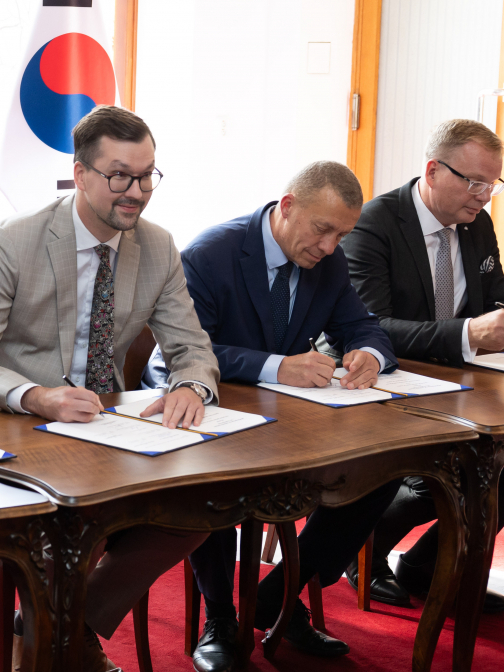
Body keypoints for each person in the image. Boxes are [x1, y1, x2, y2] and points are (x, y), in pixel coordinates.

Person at [0, 106, 219, 672]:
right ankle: (64, 640)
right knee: (55, 524)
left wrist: (191, 385)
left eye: (147, 176)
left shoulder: (159, 247)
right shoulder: (13, 240)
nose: (136, 191)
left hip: (101, 431)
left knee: (198, 509)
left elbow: (192, 347)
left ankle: (61, 624)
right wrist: (35, 396)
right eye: (120, 175)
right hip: (4, 427)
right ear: (81, 173)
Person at [174, 161, 398, 669]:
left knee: (381, 471)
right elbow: (183, 352)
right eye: (323, 230)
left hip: (288, 420)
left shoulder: (330, 263)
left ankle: (279, 595)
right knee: (211, 481)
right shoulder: (213, 254)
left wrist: (369, 354)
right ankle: (220, 619)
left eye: (342, 235)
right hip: (210, 411)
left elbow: (366, 326)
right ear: (288, 206)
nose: (329, 247)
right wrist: (277, 368)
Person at [342, 118, 504, 613]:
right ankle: (363, 543)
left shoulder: (477, 225)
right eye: (473, 182)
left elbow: (498, 300)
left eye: (492, 185)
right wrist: (467, 334)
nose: (483, 196)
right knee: (465, 468)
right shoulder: (374, 224)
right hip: (384, 379)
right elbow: (368, 327)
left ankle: (428, 562)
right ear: (432, 171)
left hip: (462, 380)